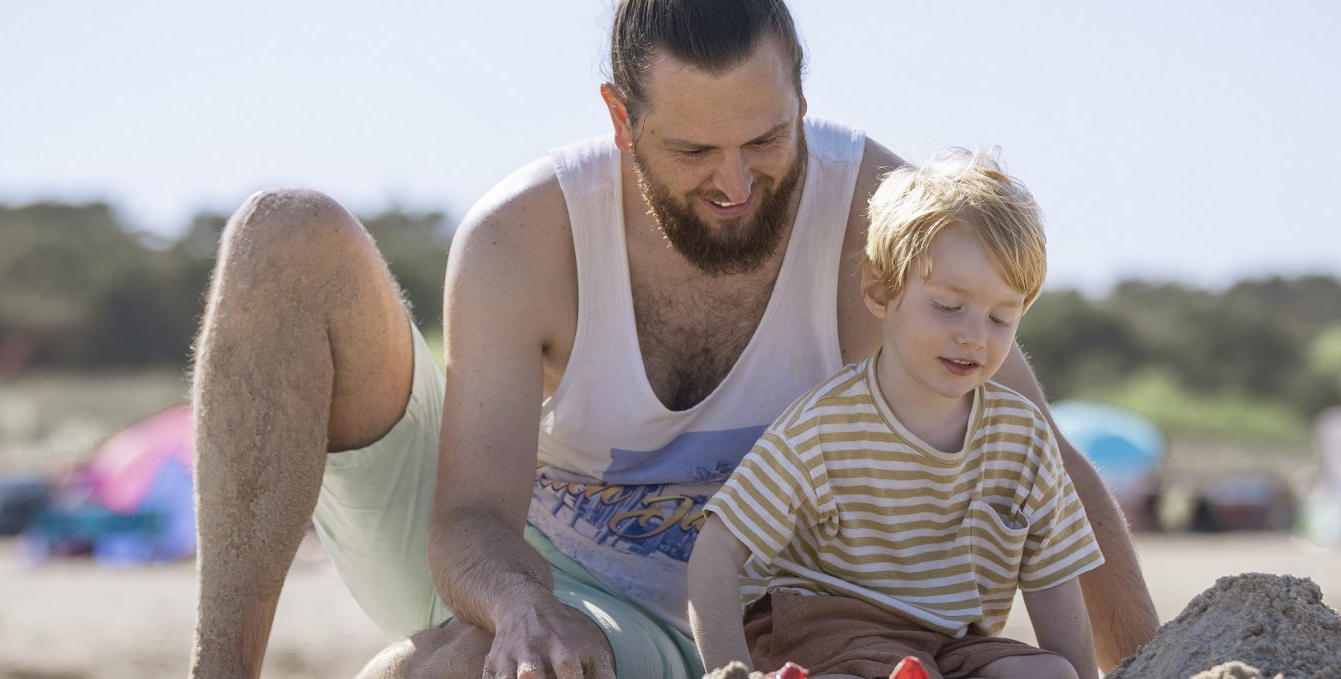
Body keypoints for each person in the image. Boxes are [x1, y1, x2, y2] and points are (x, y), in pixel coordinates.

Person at [186, 2, 1156, 678]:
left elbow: (1036, 455)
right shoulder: (525, 237)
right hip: (524, 559)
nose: (734, 184)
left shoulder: (872, 213)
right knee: (285, 232)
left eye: (766, 142)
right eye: (693, 152)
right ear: (621, 119)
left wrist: (1163, 663)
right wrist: (522, 608)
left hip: (764, 623)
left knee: (467, 666)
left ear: (802, 106)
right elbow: (471, 516)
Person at [687, 149, 1098, 679]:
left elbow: (1053, 580)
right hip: (819, 626)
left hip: (948, 639)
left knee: (1049, 675)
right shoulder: (822, 427)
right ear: (882, 290)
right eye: (949, 306)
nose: (974, 335)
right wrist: (729, 670)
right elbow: (717, 549)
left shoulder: (1022, 438)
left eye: (1001, 316)